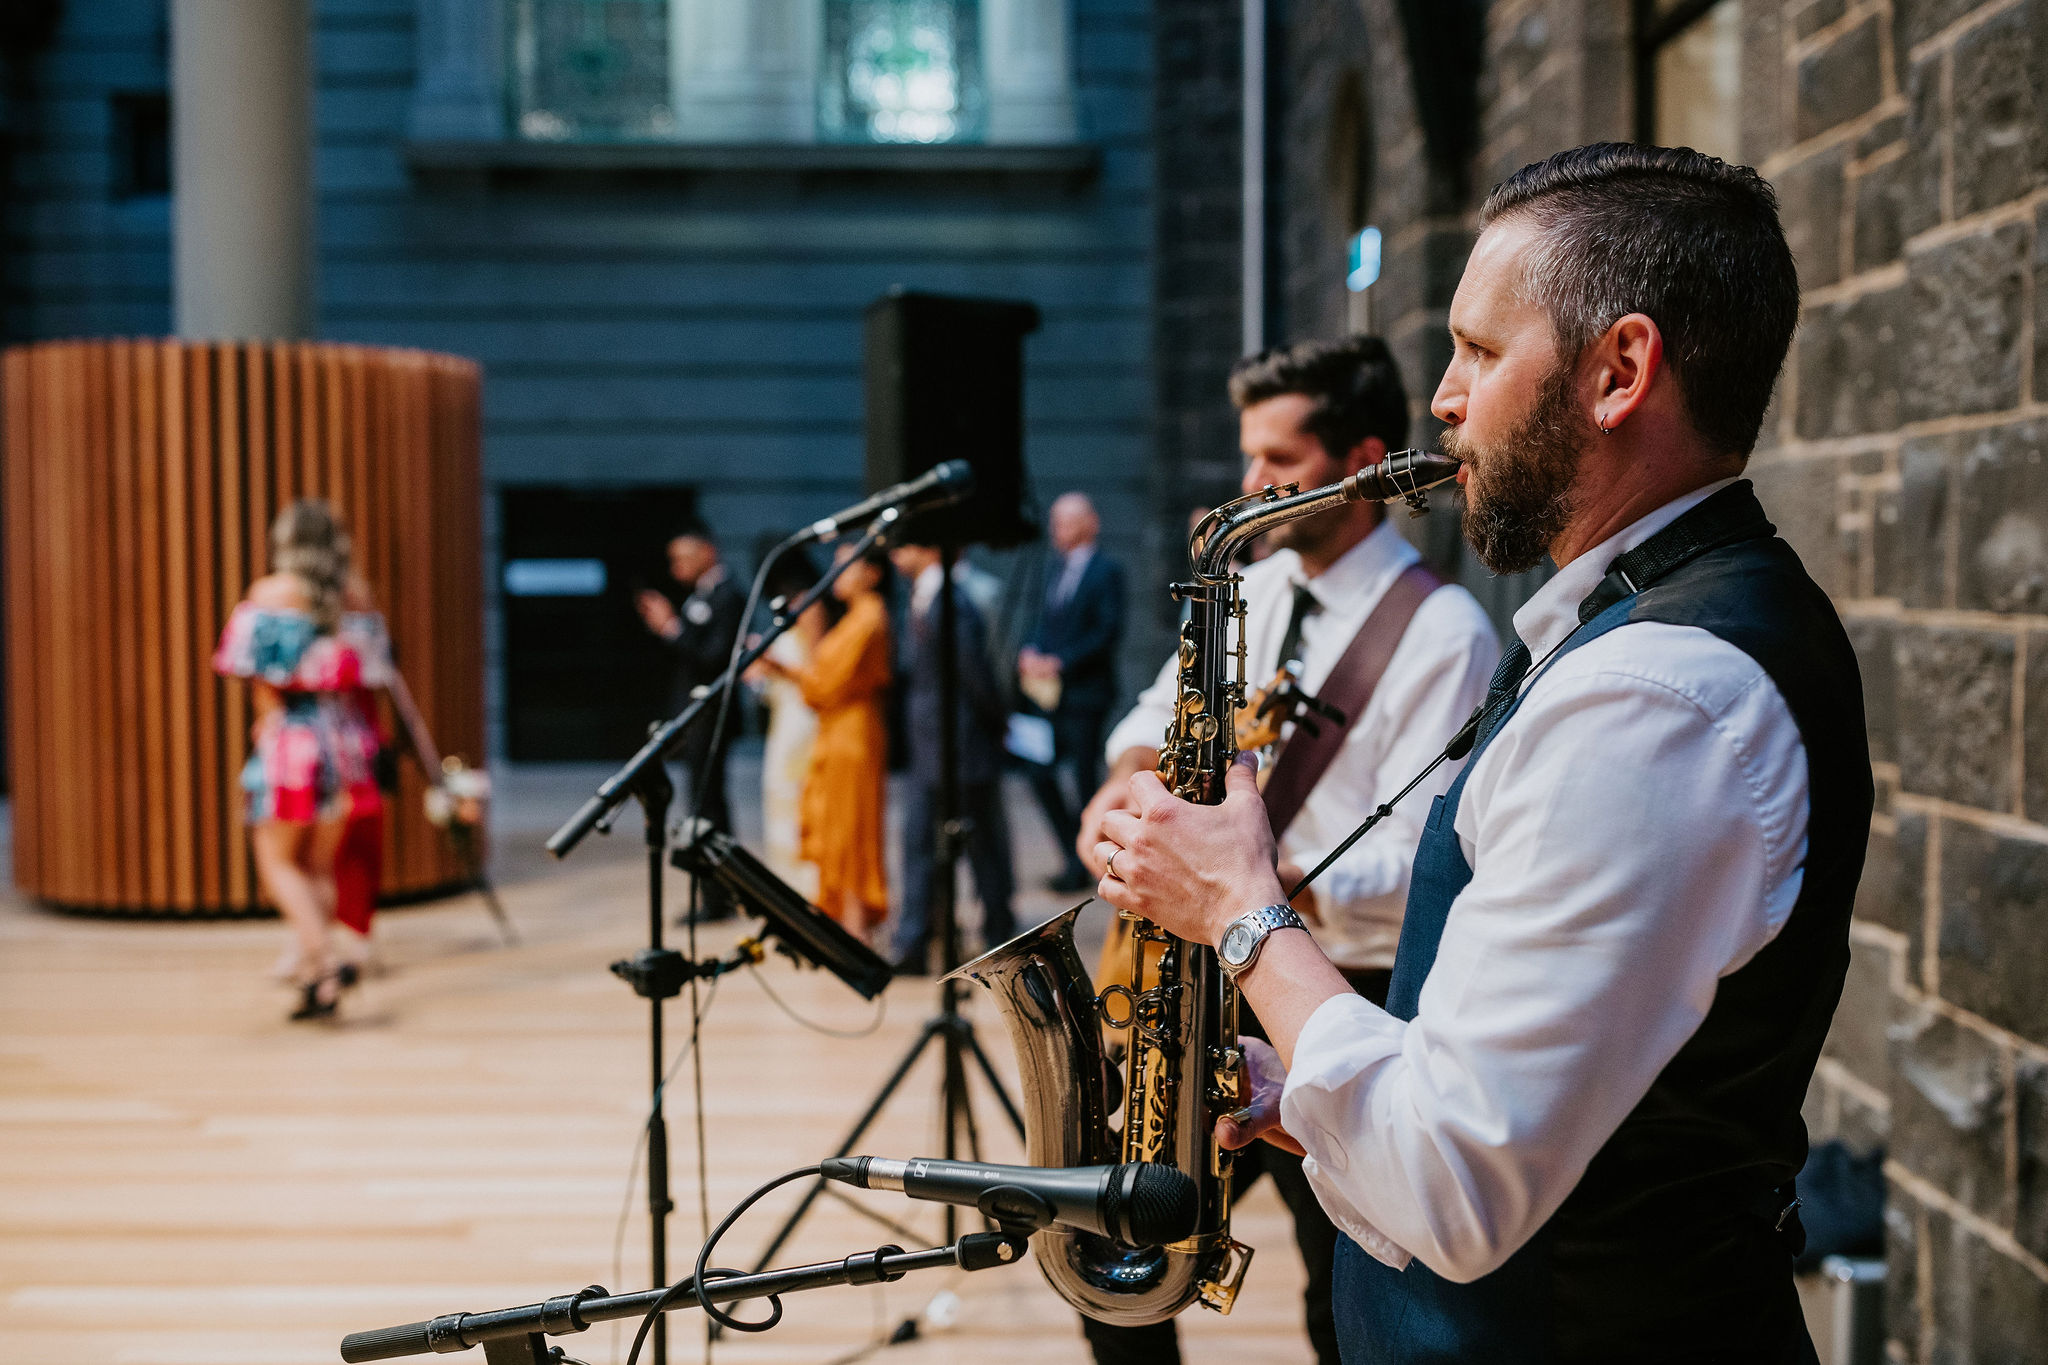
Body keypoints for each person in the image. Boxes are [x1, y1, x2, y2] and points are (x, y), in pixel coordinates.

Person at [1090, 144, 1870, 1364]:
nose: (1443, 399)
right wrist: (1315, 1089)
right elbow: (1545, 1085)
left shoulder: (1652, 694)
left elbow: (1453, 1185)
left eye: (1478, 351)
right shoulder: (1646, 632)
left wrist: (1242, 911)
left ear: (1619, 371)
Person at [1075, 335, 1498, 1365]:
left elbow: (1417, 872)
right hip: (1200, 985)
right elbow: (1147, 715)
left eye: (1279, 463)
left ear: (1358, 459)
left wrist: (1235, 880)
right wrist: (1121, 786)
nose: (1250, 486)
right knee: (1116, 1271)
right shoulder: (1251, 589)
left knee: (1345, 1297)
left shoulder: (1445, 633)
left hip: (1344, 996)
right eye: (1248, 457)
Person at [214, 500, 393, 1022]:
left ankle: (323, 964)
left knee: (276, 862)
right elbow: (375, 673)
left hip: (294, 738)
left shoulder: (270, 594)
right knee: (318, 863)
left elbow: (246, 666)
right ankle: (320, 964)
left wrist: (267, 715)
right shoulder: (357, 598)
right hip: (349, 742)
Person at [887, 541, 1018, 974]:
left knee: (981, 847)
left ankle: (998, 936)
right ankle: (918, 941)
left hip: (960, 747)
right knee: (925, 844)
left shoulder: (951, 600)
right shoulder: (930, 595)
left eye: (903, 545)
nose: (894, 555)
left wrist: (997, 722)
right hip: (934, 746)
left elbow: (974, 671)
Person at [755, 543, 893, 937]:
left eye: (846, 566)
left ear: (872, 574)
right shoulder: (856, 617)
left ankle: (854, 924)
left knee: (850, 828)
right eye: (836, 565)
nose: (838, 574)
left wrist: (785, 670)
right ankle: (847, 917)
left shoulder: (868, 617)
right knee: (838, 825)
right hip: (841, 728)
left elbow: (825, 683)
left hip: (853, 732)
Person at [635, 533, 746, 919]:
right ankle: (717, 894)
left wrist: (671, 628)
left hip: (712, 717)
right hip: (697, 717)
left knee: (708, 807)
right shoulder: (702, 593)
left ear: (707, 552)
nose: (675, 567)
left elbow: (713, 656)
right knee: (702, 803)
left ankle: (720, 895)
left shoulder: (728, 594)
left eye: (682, 557)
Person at [1018, 492, 1124, 894]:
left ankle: (1090, 860)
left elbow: (1106, 632)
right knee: (1038, 771)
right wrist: (1032, 652)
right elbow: (1043, 621)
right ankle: (1070, 852)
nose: (1054, 530)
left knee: (1083, 779)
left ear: (1086, 523)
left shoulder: (1105, 570)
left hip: (1086, 693)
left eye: (1062, 522)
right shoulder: (1054, 570)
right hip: (1050, 695)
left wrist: (1061, 661)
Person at [745, 550, 827, 898]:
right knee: (780, 796)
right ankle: (789, 888)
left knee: (795, 800)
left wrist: (773, 664)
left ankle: (807, 891)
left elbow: (817, 671)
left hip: (804, 717)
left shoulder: (810, 606)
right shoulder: (796, 607)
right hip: (786, 716)